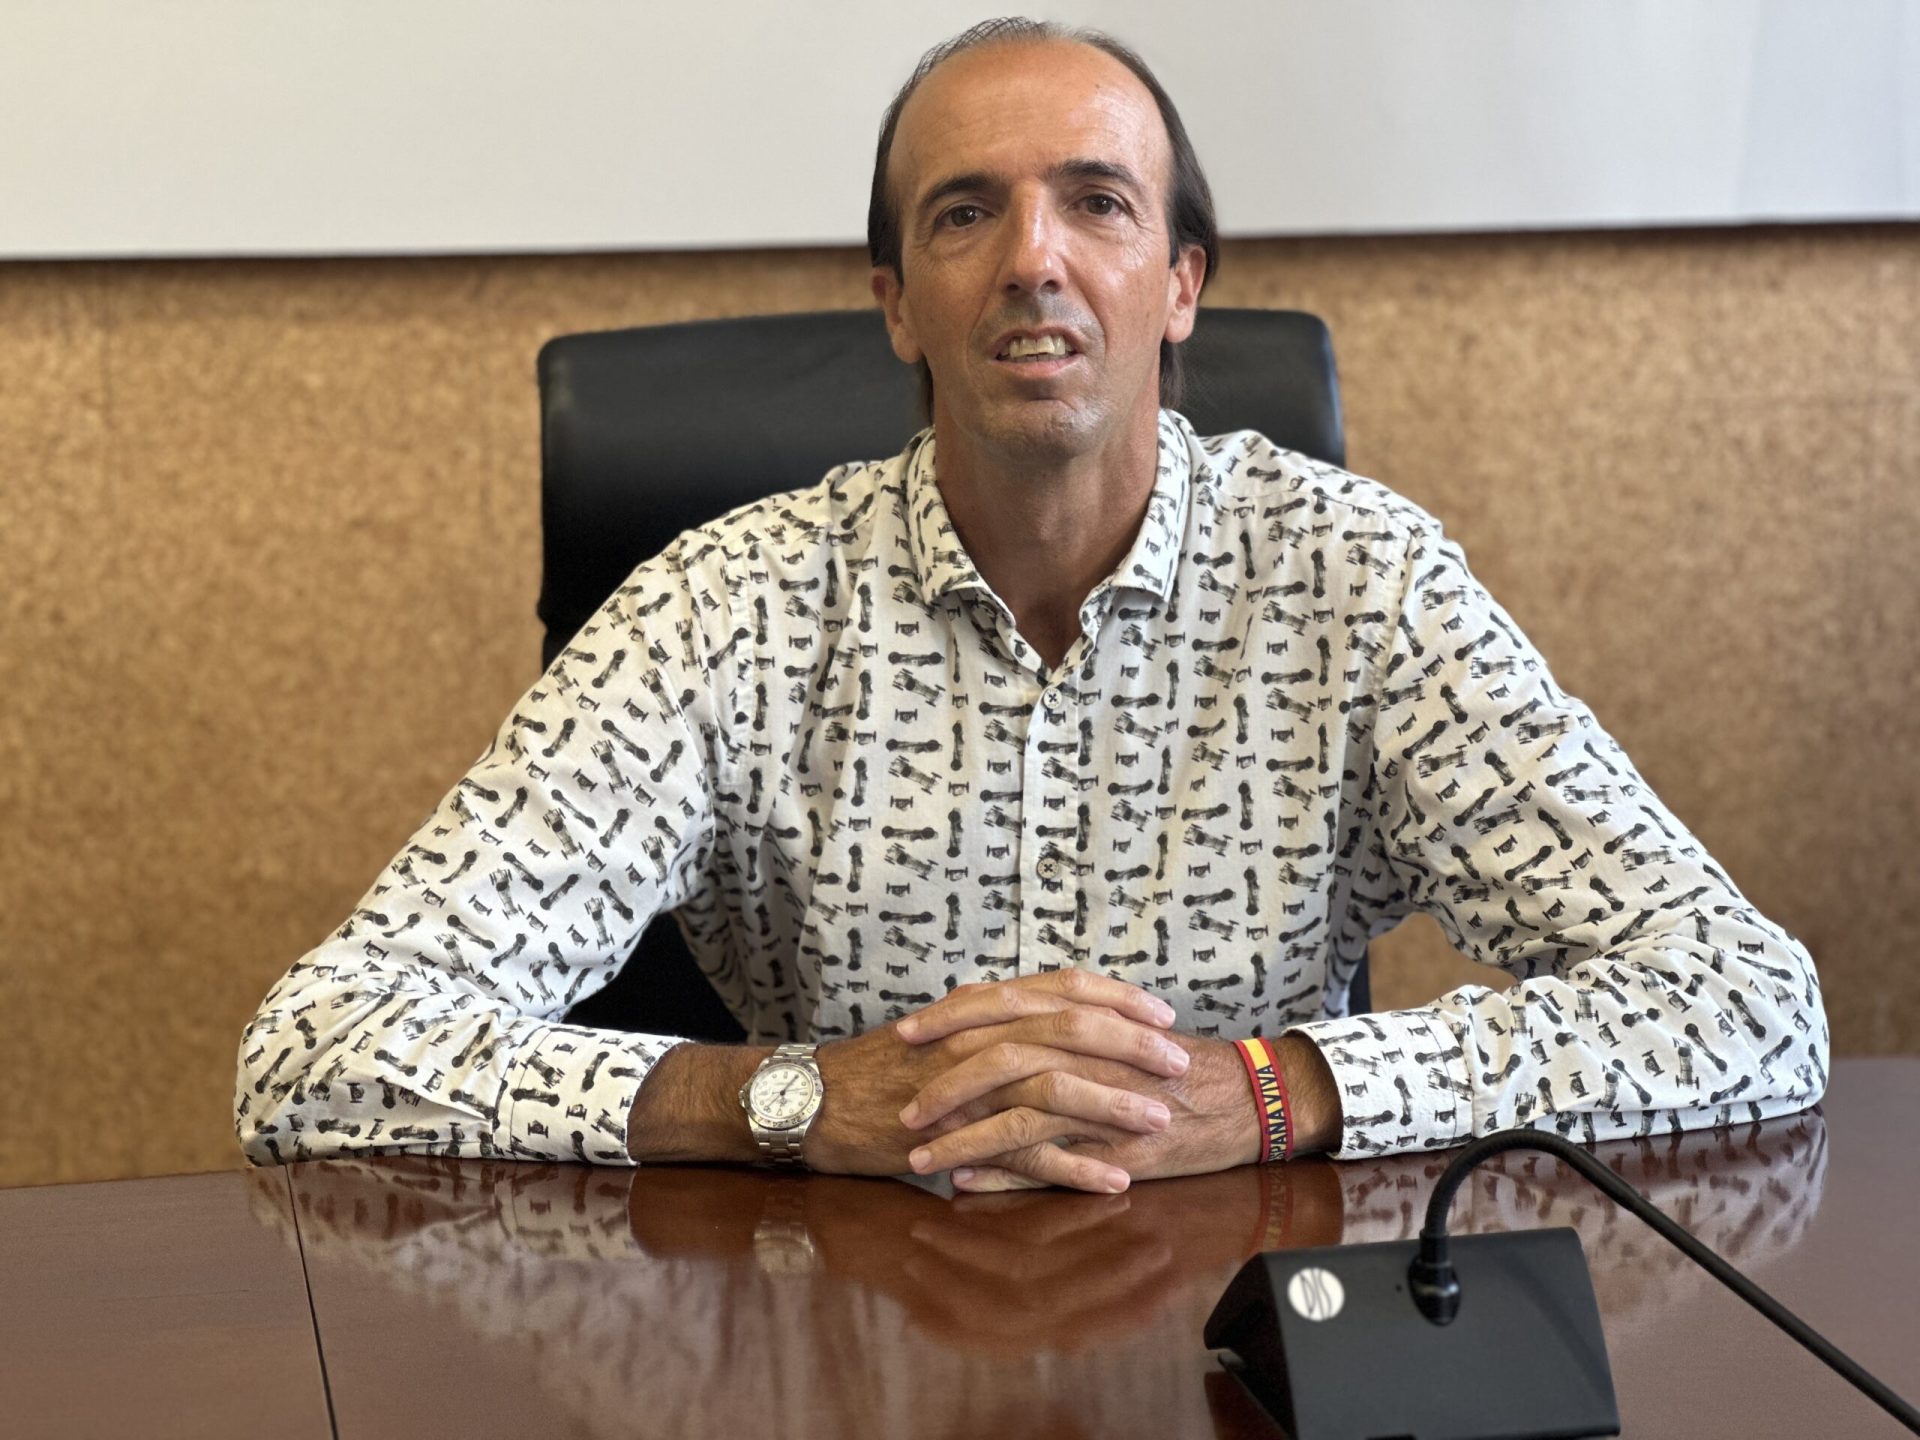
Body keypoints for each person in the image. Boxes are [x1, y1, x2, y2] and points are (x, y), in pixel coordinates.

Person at [236, 18, 1828, 1194]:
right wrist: (790, 1101)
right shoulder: (728, 612)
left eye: (1098, 202)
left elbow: (1745, 1003)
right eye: (965, 213)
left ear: (1181, 283)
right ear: (898, 306)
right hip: (842, 1342)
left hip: (1248, 1342)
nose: (1032, 261)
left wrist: (1272, 1092)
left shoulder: (1359, 584)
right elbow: (319, 1049)